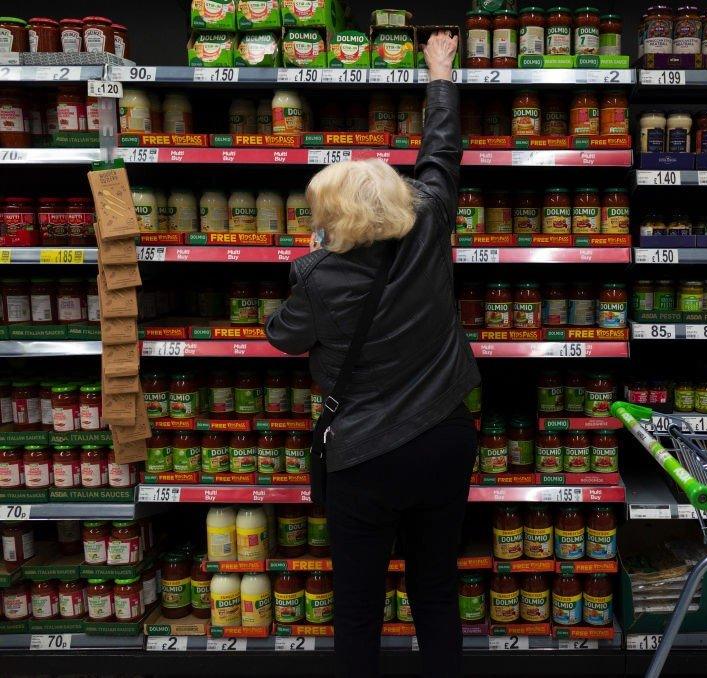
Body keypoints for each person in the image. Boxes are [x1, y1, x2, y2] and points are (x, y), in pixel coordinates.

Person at [265, 32, 479, 678]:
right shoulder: (431, 222)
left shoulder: (318, 277)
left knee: (357, 609)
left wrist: (313, 251)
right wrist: (439, 71)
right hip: (444, 437)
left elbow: (282, 335)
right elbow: (440, 150)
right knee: (436, 594)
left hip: (364, 456)